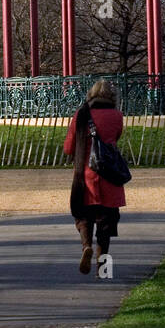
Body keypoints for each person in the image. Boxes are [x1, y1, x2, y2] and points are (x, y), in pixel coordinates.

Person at [63, 79, 126, 273]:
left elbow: (69, 147)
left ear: (91, 94)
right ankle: (103, 267)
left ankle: (86, 246)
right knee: (106, 223)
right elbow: (116, 137)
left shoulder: (81, 114)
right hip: (109, 175)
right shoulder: (117, 116)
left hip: (86, 175)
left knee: (83, 215)